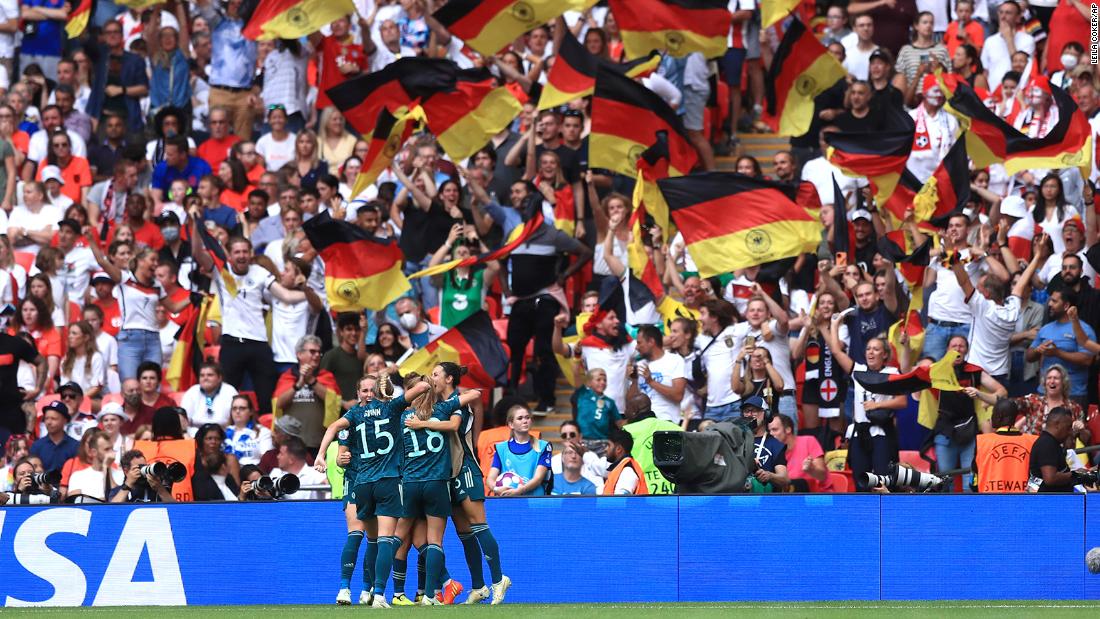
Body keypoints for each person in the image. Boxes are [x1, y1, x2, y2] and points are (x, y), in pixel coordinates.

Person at [313, 372, 431, 608]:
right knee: (384, 539)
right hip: (386, 480)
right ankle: (377, 594)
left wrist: (319, 454)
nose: (367, 394)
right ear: (358, 393)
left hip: (363, 483)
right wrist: (393, 393)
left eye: (371, 390)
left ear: (375, 391)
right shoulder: (393, 408)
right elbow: (424, 387)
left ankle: (365, 591)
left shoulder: (354, 414)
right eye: (363, 390)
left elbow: (333, 427)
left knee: (372, 539)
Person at [1026, 288, 1096, 409]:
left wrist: (1057, 353)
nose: (1049, 304)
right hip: (1045, 392)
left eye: (1054, 301)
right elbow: (1029, 357)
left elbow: (1087, 360)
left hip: (1073, 394)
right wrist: (1038, 350)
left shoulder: (1083, 329)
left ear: (1066, 306)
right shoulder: (1045, 329)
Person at [621, 393, 682, 495]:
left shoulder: (626, 432)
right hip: (675, 493)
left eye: (627, 408)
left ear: (634, 410)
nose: (625, 412)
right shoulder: (675, 428)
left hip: (642, 493)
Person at [486, 403, 552, 497]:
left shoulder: (543, 446)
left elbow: (538, 478)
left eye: (527, 417)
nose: (525, 421)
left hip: (534, 500)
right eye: (520, 418)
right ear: (511, 424)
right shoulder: (501, 448)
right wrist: (496, 488)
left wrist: (519, 490)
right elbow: (490, 478)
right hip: (509, 501)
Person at [972, 399, 1036, 493]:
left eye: (993, 412)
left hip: (990, 503)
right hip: (1023, 503)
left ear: (999, 416)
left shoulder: (982, 442)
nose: (991, 417)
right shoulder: (1033, 441)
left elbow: (973, 482)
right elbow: (1038, 478)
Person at [629, 325, 686, 425]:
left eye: (639, 342)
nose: (636, 347)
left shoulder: (675, 360)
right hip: (643, 426)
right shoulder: (639, 365)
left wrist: (651, 382)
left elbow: (678, 395)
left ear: (651, 342)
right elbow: (630, 402)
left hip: (667, 425)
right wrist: (634, 380)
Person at [739, 396, 790, 492]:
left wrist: (769, 475)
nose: (749, 415)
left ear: (766, 414)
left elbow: (785, 479)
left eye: (754, 411)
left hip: (764, 498)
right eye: (746, 411)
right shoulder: (736, 440)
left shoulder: (775, 445)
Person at [768, 413, 829, 492]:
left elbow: (822, 476)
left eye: (775, 430)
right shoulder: (772, 451)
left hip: (815, 496)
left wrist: (811, 469)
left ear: (788, 429)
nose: (771, 434)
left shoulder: (808, 441)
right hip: (788, 497)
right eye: (769, 431)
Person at [1027, 407, 1081, 493]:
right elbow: (1050, 478)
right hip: (1048, 503)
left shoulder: (1051, 443)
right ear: (1057, 424)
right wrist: (1078, 475)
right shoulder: (1047, 443)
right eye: (1068, 427)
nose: (1070, 431)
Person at [180, 362, 238, 429]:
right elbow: (184, 418)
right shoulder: (192, 391)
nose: (205, 378)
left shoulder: (229, 391)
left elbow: (232, 418)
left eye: (210, 375)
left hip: (222, 431)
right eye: (202, 375)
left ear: (219, 378)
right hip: (195, 431)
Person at [269, 435, 327, 500]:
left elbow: (328, 486)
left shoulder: (316, 473)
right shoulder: (275, 473)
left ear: (291, 459)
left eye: (281, 453)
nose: (278, 456)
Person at [571, 368, 622, 441]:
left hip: (603, 441)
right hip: (582, 440)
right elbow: (576, 373)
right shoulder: (582, 394)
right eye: (598, 380)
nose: (603, 382)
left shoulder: (610, 402)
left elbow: (619, 422)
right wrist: (577, 359)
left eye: (605, 380)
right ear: (589, 382)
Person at [109, 449, 175, 502]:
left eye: (145, 466)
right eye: (139, 467)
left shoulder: (154, 489)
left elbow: (175, 509)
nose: (142, 471)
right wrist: (128, 484)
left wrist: (160, 489)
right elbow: (112, 510)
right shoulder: (117, 491)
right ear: (126, 471)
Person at [29, 400, 78, 472]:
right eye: (46, 418)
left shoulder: (75, 446)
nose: (49, 422)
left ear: (64, 420)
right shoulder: (37, 446)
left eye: (53, 419)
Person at [224, 394, 272, 466]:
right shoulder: (224, 433)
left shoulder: (263, 432)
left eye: (242, 408)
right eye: (234, 408)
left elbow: (266, 461)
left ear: (251, 412)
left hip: (253, 472)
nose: (237, 411)